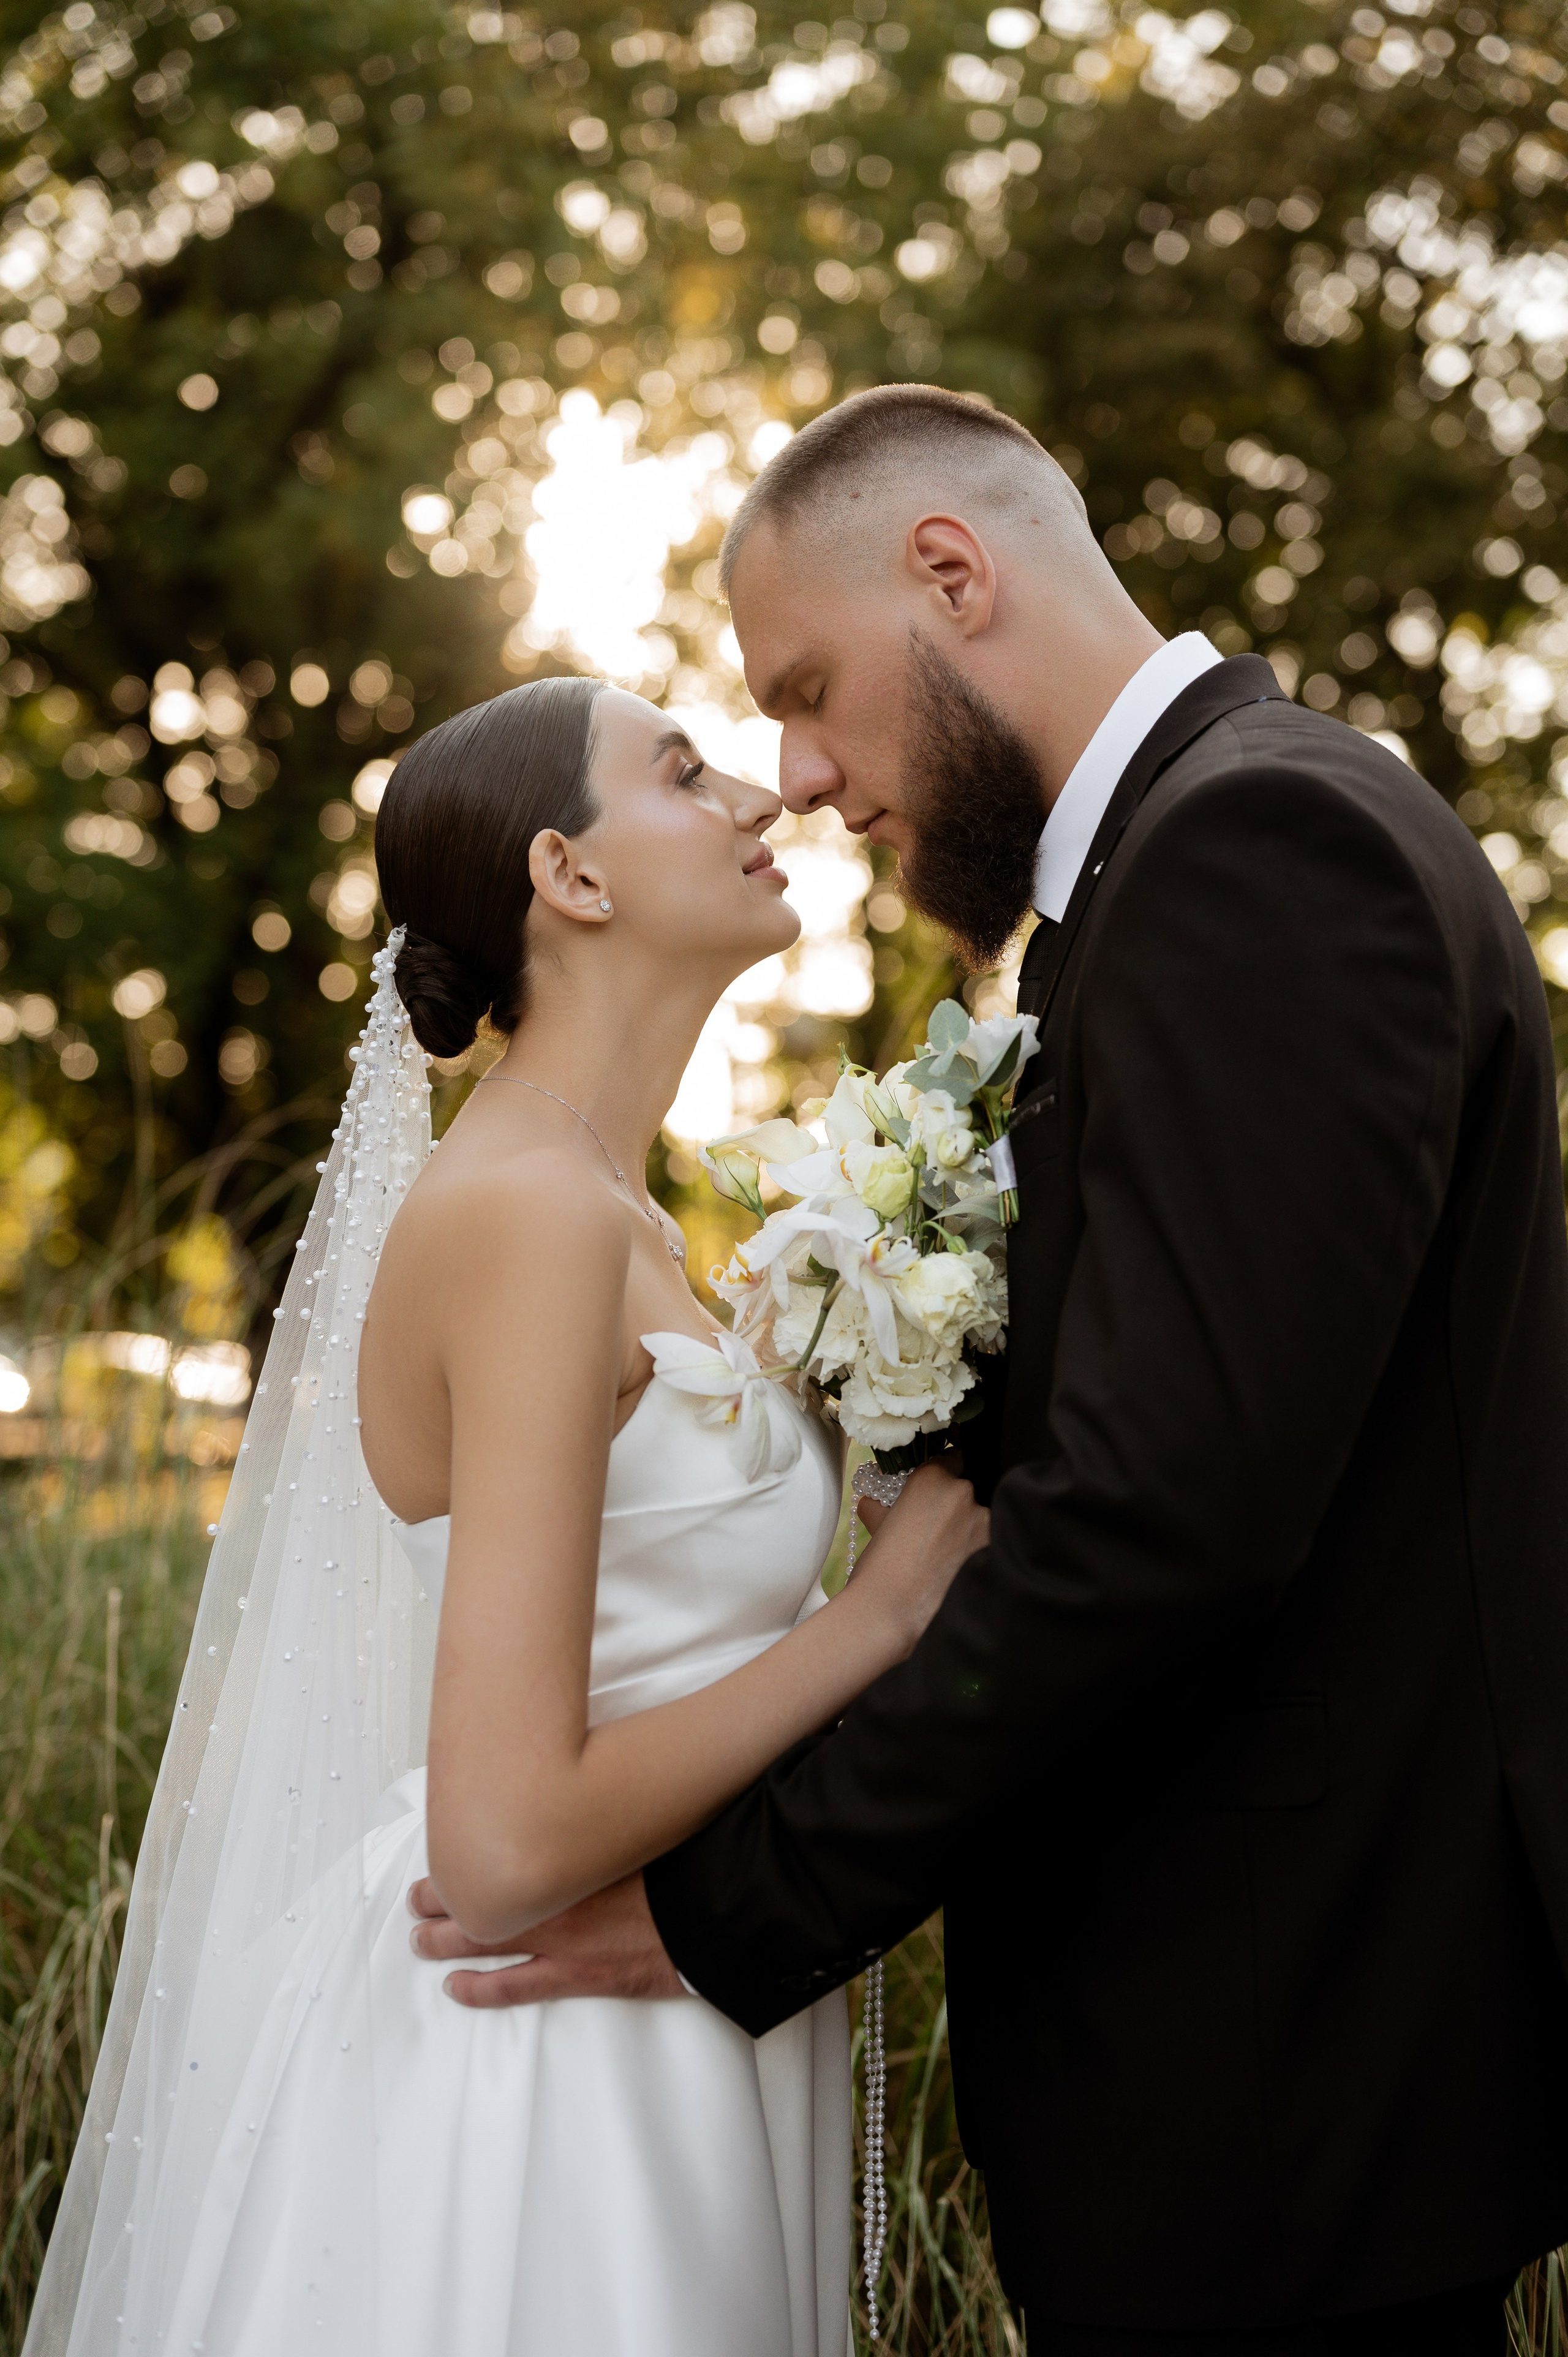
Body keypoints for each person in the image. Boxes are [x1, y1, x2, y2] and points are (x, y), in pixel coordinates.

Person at [417, 387, 1568, 2356]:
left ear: (951, 573)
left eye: (806, 689)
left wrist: (736, 1909)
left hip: (1287, 2081)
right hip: (1256, 2088)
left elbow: (1160, 1518)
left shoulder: (1260, 845)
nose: (804, 773)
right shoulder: (1178, 871)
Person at [23, 673, 985, 2357]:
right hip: (546, 2062)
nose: (763, 799)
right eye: (687, 772)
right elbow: (506, 1839)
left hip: (666, 1985)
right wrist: (883, 1617)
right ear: (574, 877)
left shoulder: (612, 1211)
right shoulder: (530, 1217)